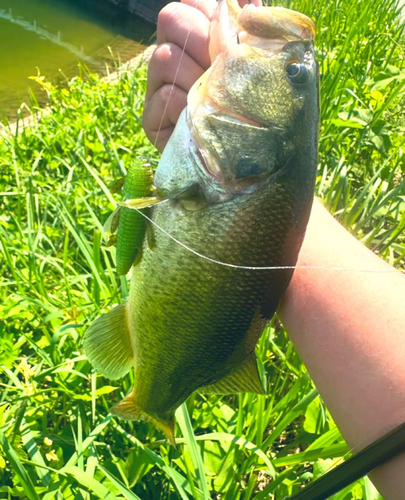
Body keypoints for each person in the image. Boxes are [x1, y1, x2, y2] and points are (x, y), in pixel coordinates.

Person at [142, 1, 405, 497]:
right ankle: (154, 398)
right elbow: (256, 200)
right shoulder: (244, 163)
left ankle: (151, 399)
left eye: (292, 73)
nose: (290, 63)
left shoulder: (246, 161)